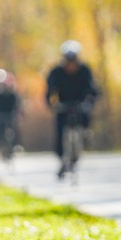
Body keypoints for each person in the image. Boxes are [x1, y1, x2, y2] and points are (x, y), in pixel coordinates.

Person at [46, 40, 100, 178]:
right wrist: (53, 104)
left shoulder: (84, 70)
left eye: (73, 60)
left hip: (79, 104)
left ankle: (86, 135)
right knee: (60, 130)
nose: (71, 64)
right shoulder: (56, 72)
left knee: (85, 117)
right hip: (63, 105)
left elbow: (92, 89)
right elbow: (50, 90)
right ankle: (61, 158)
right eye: (68, 60)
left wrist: (89, 103)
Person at [0, 68, 21, 153]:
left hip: (10, 113)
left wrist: (17, 112)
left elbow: (16, 105)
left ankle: (16, 144)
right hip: (1, 114)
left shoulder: (12, 95)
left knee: (14, 128)